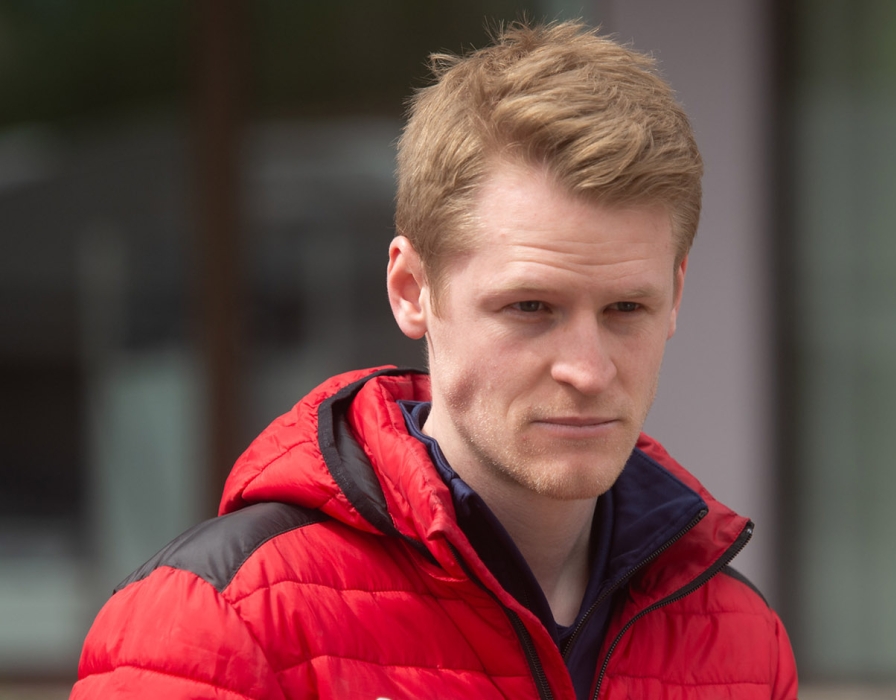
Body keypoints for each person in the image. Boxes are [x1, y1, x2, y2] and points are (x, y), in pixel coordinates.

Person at [72, 21, 798, 700]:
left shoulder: (739, 643)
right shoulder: (220, 626)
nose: (588, 369)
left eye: (624, 311)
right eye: (530, 308)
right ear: (411, 290)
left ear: (675, 297)